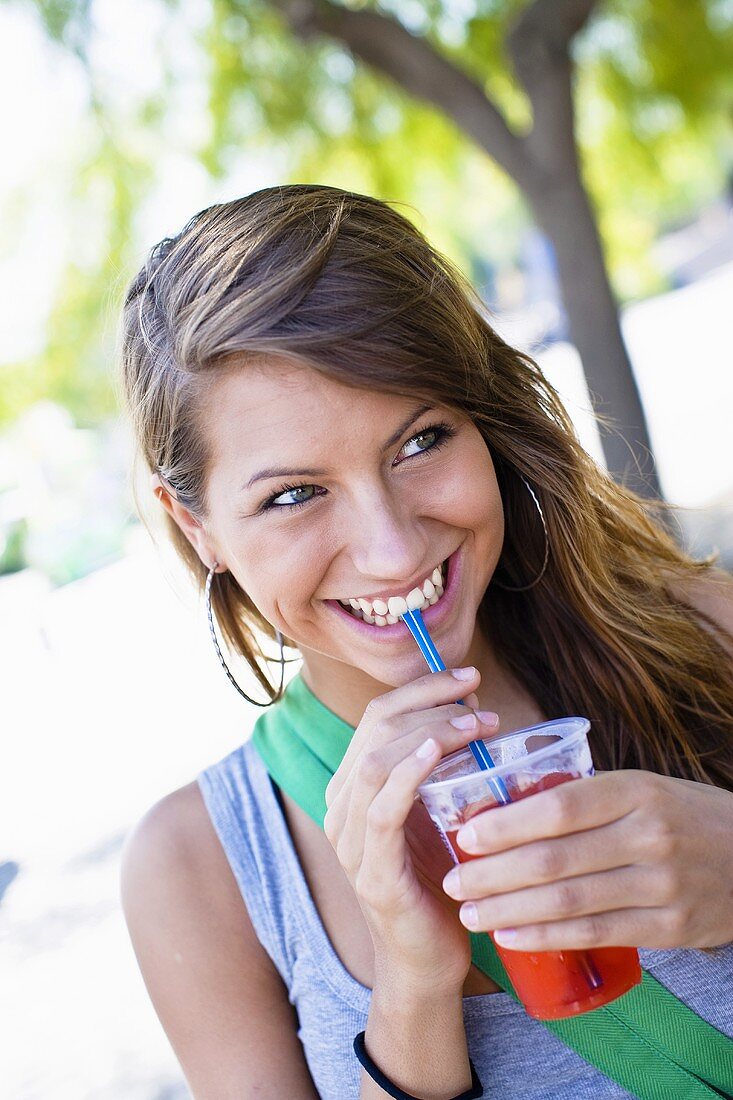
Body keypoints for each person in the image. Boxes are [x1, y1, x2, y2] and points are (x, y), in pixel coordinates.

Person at [118, 185, 733, 1100]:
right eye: (292, 495)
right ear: (196, 524)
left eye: (420, 441)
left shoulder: (708, 635)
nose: (393, 547)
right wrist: (410, 991)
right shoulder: (199, 871)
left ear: (484, 421)